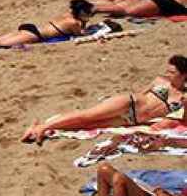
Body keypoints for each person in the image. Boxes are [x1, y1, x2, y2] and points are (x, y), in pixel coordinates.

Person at [22, 55, 187, 142]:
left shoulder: (184, 97)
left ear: (183, 75)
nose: (168, 74)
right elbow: (141, 94)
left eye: (172, 72)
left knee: (87, 124)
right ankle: (44, 127)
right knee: (86, 115)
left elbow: (183, 120)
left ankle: (42, 127)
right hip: (128, 103)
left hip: (132, 120)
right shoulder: (160, 81)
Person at [0, 0, 103, 52]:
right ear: (82, 13)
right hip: (34, 35)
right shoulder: (74, 23)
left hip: (31, 28)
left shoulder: (68, 15)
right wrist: (87, 27)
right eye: (88, 13)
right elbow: (80, 35)